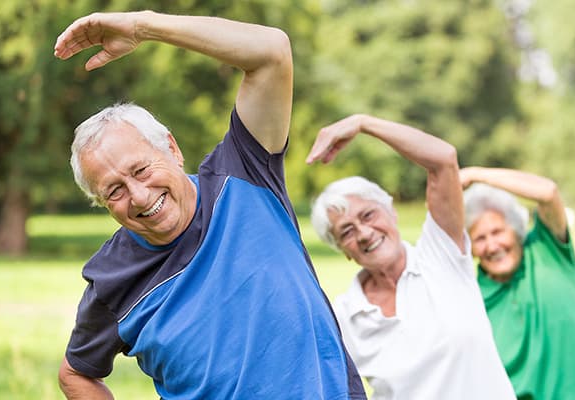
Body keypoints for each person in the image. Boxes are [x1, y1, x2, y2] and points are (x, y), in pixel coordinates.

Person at [54, 11, 366, 400]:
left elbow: (272, 52)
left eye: (141, 169)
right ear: (100, 202)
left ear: (171, 148)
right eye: (114, 190)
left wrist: (143, 26)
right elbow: (76, 374)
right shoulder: (111, 281)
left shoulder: (245, 173)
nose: (139, 195)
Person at [307, 114, 515, 399]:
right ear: (343, 250)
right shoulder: (345, 316)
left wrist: (363, 123)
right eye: (347, 232)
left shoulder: (441, 255)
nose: (365, 233)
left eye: (369, 215)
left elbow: (443, 160)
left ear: (392, 212)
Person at [461, 167, 575, 400]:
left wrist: (474, 175)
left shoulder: (548, 249)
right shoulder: (472, 299)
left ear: (515, 228)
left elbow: (547, 192)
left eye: (497, 231)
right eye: (480, 238)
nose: (492, 246)